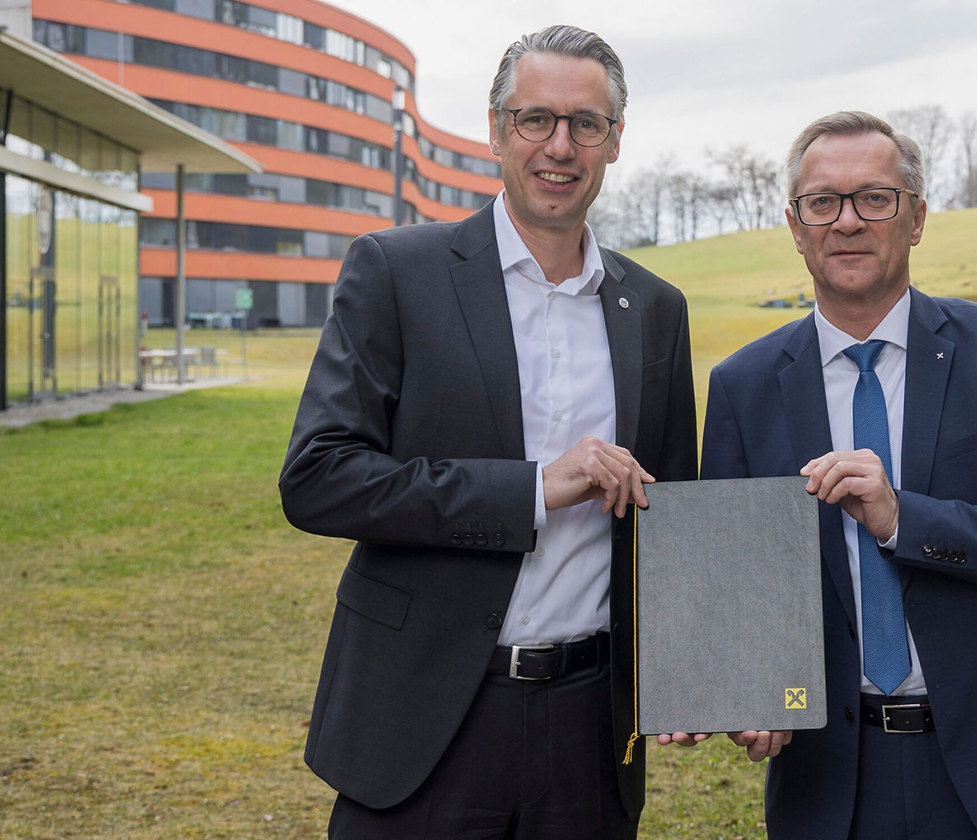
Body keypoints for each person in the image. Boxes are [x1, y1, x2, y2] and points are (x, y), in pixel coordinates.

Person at [278, 25, 695, 839]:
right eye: (535, 118)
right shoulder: (396, 272)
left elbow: (669, 515)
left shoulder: (655, 309)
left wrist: (697, 674)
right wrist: (533, 489)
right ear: (498, 129)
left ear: (615, 141)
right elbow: (318, 477)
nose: (559, 145)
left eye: (587, 123)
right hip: (423, 719)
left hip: (590, 736)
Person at [693, 111, 977, 839]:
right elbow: (736, 578)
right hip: (829, 780)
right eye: (822, 202)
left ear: (916, 218)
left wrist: (901, 519)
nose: (847, 221)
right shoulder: (743, 385)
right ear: (795, 225)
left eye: (874, 198)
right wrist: (747, 691)